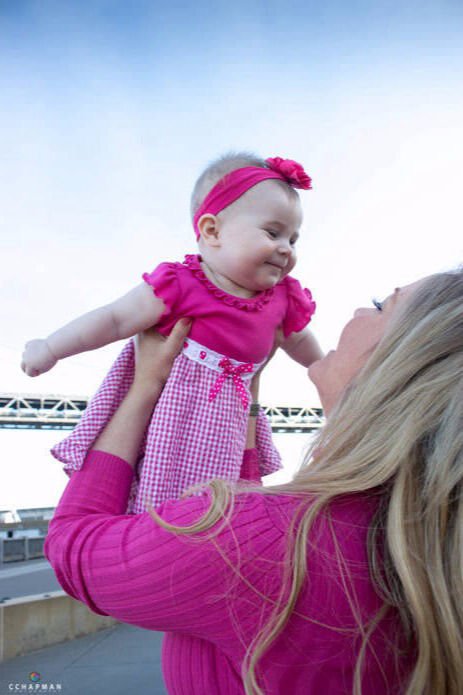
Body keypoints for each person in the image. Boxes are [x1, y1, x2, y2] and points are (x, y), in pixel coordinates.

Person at [44, 267, 463, 694]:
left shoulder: (255, 546)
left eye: (380, 306)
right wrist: (246, 393)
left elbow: (73, 546)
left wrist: (144, 385)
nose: (359, 311)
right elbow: (250, 509)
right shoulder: (428, 542)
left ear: (404, 362)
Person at [21, 152, 323, 512]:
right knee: (159, 501)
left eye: (293, 239)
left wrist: (326, 367)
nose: (286, 249)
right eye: (273, 233)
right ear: (212, 231)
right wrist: (51, 348)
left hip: (230, 428)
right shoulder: (180, 284)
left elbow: (301, 342)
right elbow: (114, 319)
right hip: (172, 418)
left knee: (228, 504)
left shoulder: (283, 299)